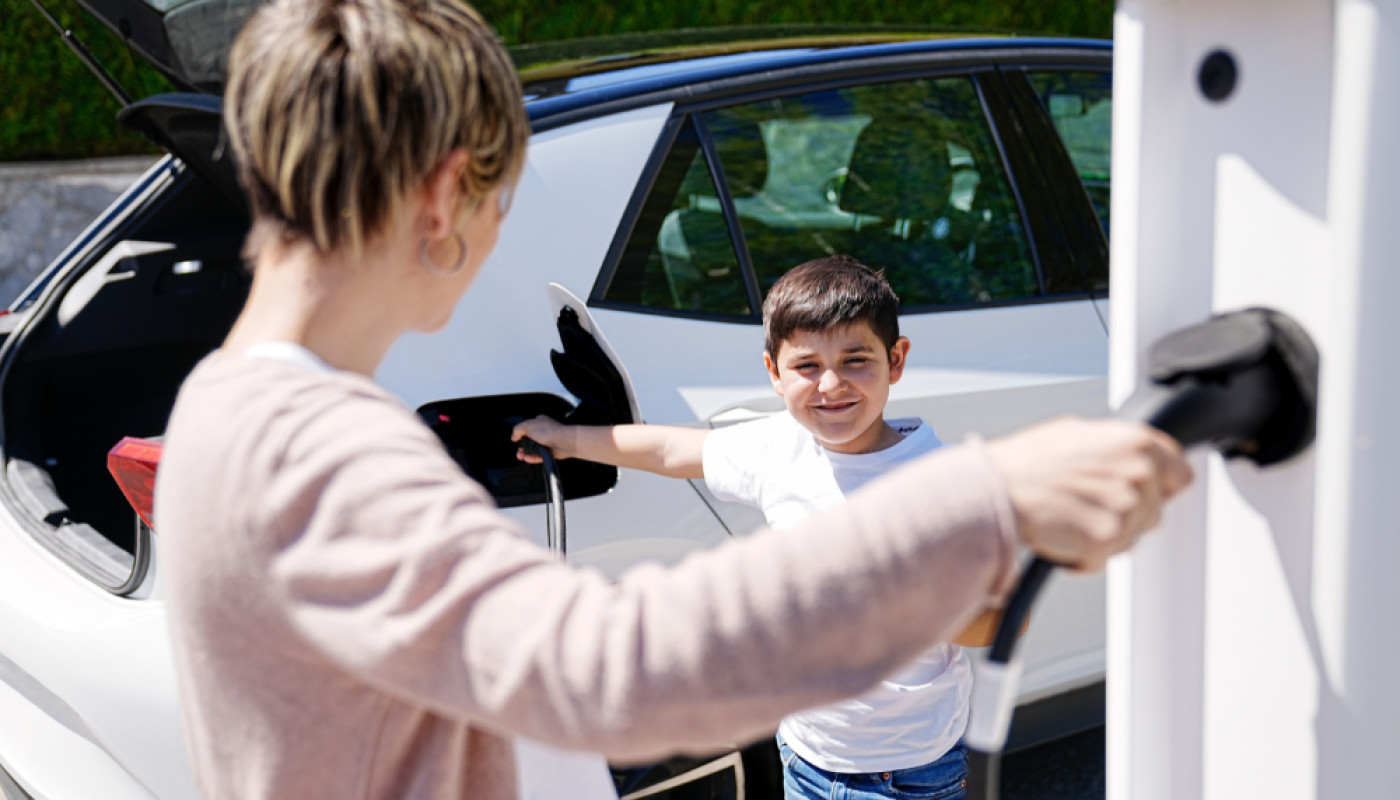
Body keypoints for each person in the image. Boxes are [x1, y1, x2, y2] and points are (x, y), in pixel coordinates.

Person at [153, 1, 1193, 799]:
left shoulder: (218, 402)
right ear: (441, 197)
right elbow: (606, 668)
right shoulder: (324, 451)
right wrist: (980, 499)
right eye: (498, 199)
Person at [513, 255, 1005, 799]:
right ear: (774, 372)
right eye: (807, 366)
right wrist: (566, 439)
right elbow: (672, 448)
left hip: (907, 771)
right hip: (805, 753)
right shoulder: (779, 447)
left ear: (896, 359)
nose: (832, 385)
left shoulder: (943, 481)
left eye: (856, 359)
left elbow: (1005, 621)